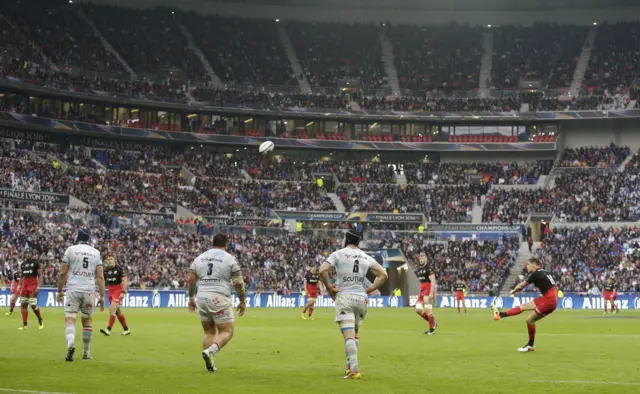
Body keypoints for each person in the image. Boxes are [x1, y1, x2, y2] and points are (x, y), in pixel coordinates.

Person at [318, 230, 388, 380]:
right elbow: (383, 275)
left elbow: (322, 270)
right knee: (355, 333)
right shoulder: (365, 256)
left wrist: (329, 288)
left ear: (346, 240)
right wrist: (369, 289)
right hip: (361, 299)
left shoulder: (338, 254)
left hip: (345, 297)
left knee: (348, 335)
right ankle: (349, 365)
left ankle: (355, 369)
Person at [188, 233, 246, 373]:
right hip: (219, 297)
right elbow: (238, 283)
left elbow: (191, 279)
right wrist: (242, 300)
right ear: (225, 245)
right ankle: (211, 351)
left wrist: (191, 298)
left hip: (202, 298)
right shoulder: (230, 259)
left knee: (209, 331)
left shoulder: (199, 258)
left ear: (212, 243)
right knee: (227, 331)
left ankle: (209, 365)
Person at [57, 228, 105, 361]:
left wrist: (59, 291)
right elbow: (100, 277)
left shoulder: (70, 250)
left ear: (78, 238)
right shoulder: (96, 253)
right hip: (89, 291)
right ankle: (86, 352)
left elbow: (62, 273)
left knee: (70, 318)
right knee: (87, 321)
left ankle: (71, 343)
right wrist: (101, 296)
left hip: (73, 290)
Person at [491, 257, 557, 353]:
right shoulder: (545, 272)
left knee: (530, 320)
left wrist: (512, 292)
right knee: (524, 306)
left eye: (528, 264)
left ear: (534, 265)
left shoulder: (536, 274)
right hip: (548, 297)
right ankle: (500, 315)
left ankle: (530, 345)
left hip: (549, 300)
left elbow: (521, 286)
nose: (527, 266)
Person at [100, 254, 131, 336]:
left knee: (112, 309)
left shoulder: (119, 268)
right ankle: (126, 329)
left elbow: (125, 280)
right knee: (118, 312)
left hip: (118, 290)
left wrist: (123, 292)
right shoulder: (105, 270)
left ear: (114, 260)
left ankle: (108, 329)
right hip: (110, 291)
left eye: (111, 259)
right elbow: (102, 282)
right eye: (108, 259)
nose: (109, 260)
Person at [17, 249, 44, 330]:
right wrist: (19, 285)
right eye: (27, 253)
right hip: (25, 284)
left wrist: (38, 286)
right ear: (25, 254)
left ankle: (40, 319)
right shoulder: (23, 264)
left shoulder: (36, 263)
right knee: (23, 304)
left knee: (32, 304)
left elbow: (40, 275)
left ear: (32, 254)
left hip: (33, 284)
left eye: (29, 253)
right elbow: (22, 276)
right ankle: (25, 325)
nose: (28, 255)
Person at [415, 252, 437, 334]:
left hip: (428, 288)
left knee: (428, 309)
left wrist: (431, 293)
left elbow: (433, 281)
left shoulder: (429, 268)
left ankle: (431, 329)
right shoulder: (419, 269)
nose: (421, 260)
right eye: (420, 258)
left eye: (423, 258)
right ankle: (433, 323)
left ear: (426, 259)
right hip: (422, 290)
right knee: (418, 309)